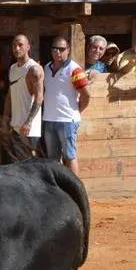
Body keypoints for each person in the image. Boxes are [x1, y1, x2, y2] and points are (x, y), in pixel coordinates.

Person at [42, 36, 90, 175]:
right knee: (52, 159)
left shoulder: (74, 69)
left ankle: (75, 190)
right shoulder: (47, 67)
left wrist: (76, 112)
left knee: (69, 156)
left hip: (68, 120)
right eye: (55, 49)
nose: (58, 52)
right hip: (49, 119)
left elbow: (86, 95)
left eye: (61, 49)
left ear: (68, 50)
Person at [0, 33, 44, 163]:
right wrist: (5, 118)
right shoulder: (13, 68)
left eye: (20, 45)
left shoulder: (34, 69)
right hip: (15, 126)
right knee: (17, 164)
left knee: (31, 164)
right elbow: (10, 95)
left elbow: (39, 97)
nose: (17, 48)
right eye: (14, 45)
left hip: (29, 128)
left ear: (28, 47)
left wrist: (29, 121)